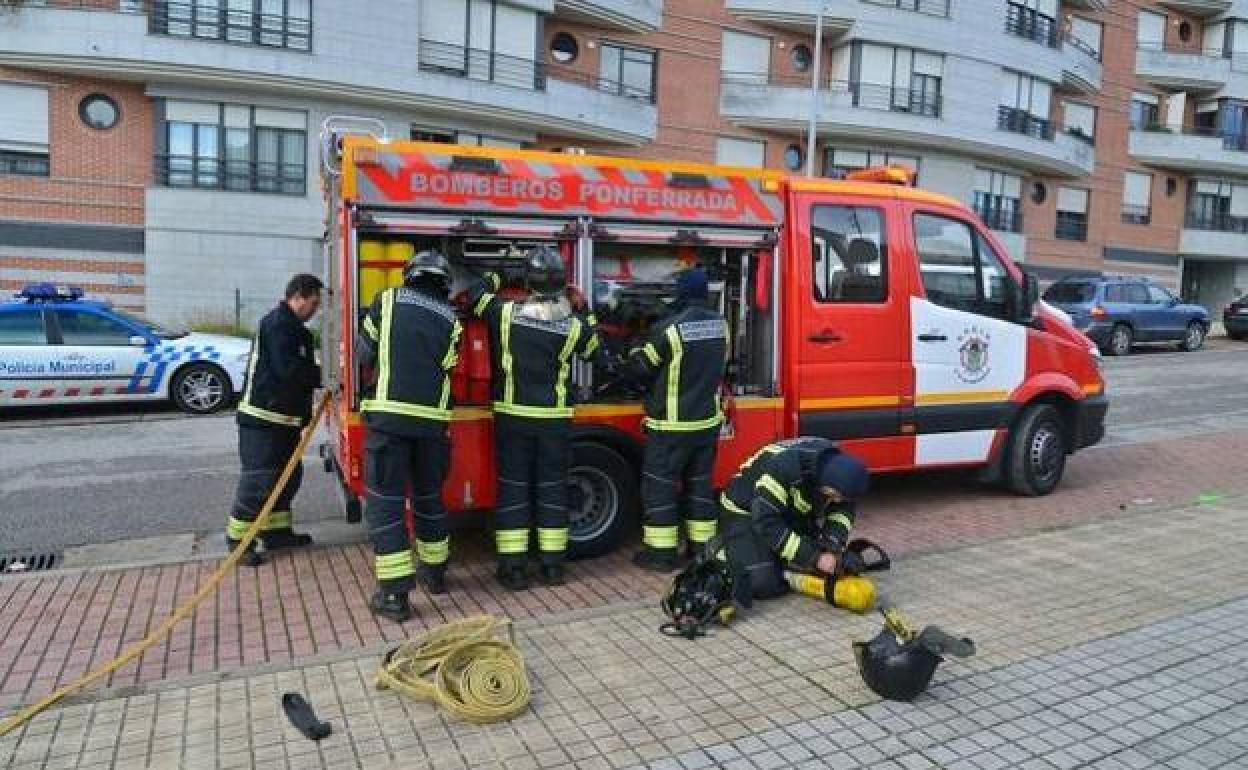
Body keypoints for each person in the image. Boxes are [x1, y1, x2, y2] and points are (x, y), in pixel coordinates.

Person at [466, 245, 601, 591]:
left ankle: (513, 569)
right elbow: (594, 349)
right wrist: (585, 310)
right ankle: (553, 567)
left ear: (529, 281)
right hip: (554, 420)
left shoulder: (506, 313)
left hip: (513, 417)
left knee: (514, 492)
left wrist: (502, 274)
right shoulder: (571, 325)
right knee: (553, 491)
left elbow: (475, 297)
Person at [357, 250, 463, 623]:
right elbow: (449, 367)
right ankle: (434, 575)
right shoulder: (453, 320)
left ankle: (394, 596)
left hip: (390, 422)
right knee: (429, 498)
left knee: (386, 503)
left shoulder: (386, 300)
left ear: (410, 275)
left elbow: (364, 351)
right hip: (433, 424)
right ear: (444, 282)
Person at [629, 266, 729, 572]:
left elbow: (641, 367)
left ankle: (661, 555)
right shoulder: (721, 325)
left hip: (671, 427)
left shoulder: (670, 329)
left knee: (660, 489)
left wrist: (635, 343)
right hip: (706, 424)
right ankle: (702, 550)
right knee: (699, 488)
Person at [227, 273, 323, 567]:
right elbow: (288, 370)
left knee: (287, 478)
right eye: (314, 303)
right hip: (264, 421)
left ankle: (276, 532)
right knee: (260, 481)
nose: (315, 310)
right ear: (299, 296)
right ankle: (239, 541)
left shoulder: (294, 328)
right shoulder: (280, 325)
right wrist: (327, 378)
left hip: (284, 421)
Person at [716, 437, 870, 604]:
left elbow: (842, 511)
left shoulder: (837, 472)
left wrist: (832, 544)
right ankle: (720, 551)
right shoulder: (785, 468)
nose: (837, 500)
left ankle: (779, 560)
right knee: (763, 583)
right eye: (835, 495)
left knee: (814, 561)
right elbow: (767, 523)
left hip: (785, 512)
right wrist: (815, 557)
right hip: (744, 512)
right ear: (826, 481)